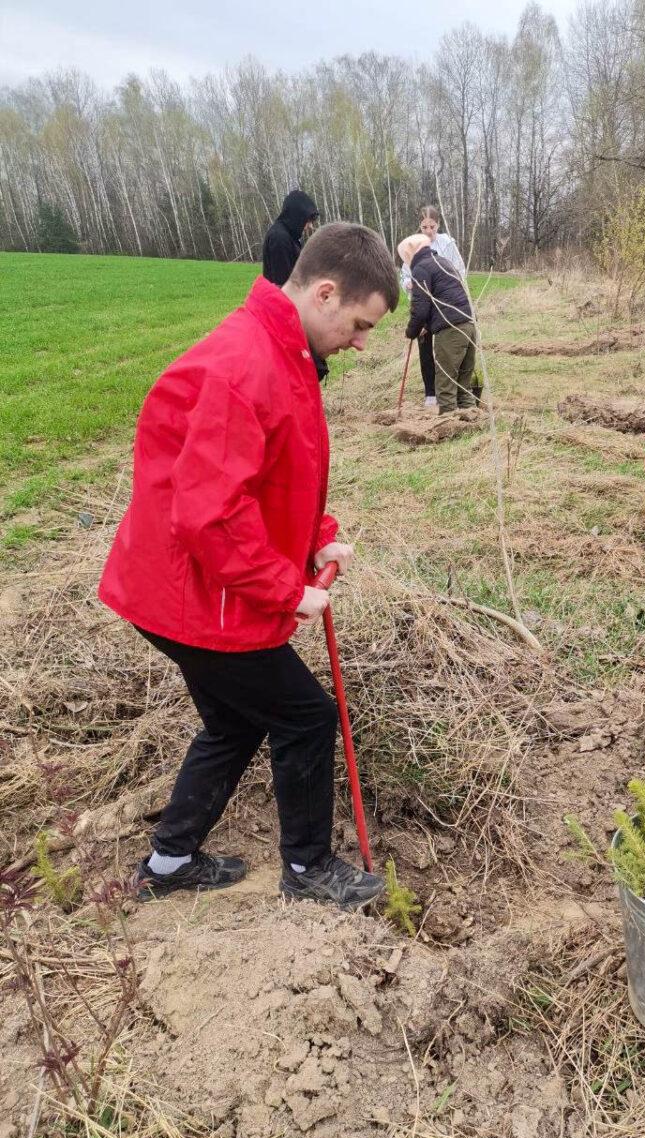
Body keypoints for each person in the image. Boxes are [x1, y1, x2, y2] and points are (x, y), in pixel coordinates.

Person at [98, 224, 400, 908]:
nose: (360, 343)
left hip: (180, 584)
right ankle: (308, 870)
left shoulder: (281, 350)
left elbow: (276, 469)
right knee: (306, 717)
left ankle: (170, 863)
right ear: (325, 292)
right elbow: (209, 514)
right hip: (195, 595)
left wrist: (316, 539)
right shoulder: (247, 365)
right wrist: (286, 588)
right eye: (359, 324)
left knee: (236, 720)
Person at [398, 233, 476, 415]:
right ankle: (471, 420)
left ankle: (449, 424)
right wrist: (426, 324)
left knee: (446, 381)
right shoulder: (442, 262)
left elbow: (421, 307)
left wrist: (412, 331)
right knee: (463, 383)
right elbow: (440, 297)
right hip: (469, 324)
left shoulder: (421, 269)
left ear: (410, 254)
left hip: (451, 328)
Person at [262, 189, 319, 288]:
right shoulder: (279, 238)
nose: (310, 226)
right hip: (280, 301)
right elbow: (282, 284)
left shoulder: (290, 236)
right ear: (297, 216)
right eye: (308, 220)